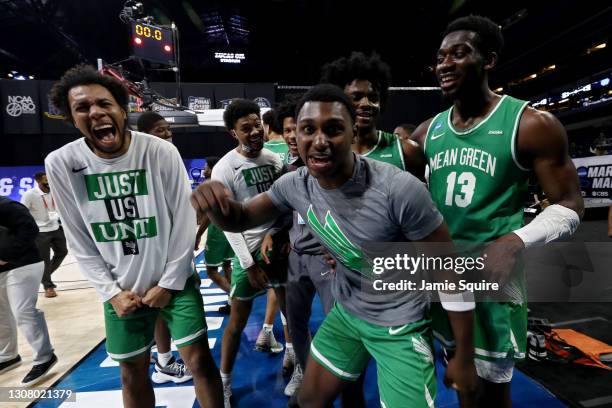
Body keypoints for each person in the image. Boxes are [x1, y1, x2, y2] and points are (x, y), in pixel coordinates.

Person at [192, 84, 477, 408]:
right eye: (308, 130)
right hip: (349, 311)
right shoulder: (293, 183)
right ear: (294, 137)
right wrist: (215, 204)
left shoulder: (398, 189)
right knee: (308, 400)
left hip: (400, 321)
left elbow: (450, 271)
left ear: (353, 131)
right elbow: (241, 217)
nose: (320, 140)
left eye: (333, 129)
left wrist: (463, 354)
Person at [412, 15, 583, 407]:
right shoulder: (428, 132)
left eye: (459, 54)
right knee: (459, 383)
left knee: (491, 393)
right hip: (443, 279)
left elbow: (571, 205)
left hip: (493, 280)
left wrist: (515, 240)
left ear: (488, 60)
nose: (444, 64)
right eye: (440, 57)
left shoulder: (531, 124)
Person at [45, 64, 223, 408]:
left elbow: (184, 220)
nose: (95, 112)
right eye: (82, 108)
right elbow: (78, 235)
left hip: (176, 283)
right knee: (131, 373)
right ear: (71, 117)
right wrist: (110, 293)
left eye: (104, 104)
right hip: (120, 290)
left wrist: (169, 282)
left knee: (199, 360)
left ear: (121, 109)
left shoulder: (160, 151)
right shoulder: (61, 162)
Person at [210, 98, 288, 407]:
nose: (254, 131)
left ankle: (294, 365)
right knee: (236, 323)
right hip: (249, 255)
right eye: (246, 128)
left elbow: (285, 205)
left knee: (290, 313)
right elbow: (230, 225)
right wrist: (248, 263)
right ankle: (224, 384)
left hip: (277, 249)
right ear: (233, 133)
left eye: (257, 124)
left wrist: (276, 234)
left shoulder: (274, 160)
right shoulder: (224, 169)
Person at [136, 109, 192, 384]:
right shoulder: (140, 163)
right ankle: (165, 361)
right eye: (160, 130)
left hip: (173, 249)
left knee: (161, 311)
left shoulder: (170, 156)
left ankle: (165, 360)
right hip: (153, 253)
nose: (168, 133)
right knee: (160, 311)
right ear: (144, 134)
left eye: (168, 128)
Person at [320, 51, 426, 180]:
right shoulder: (327, 152)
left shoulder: (407, 151)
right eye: (356, 97)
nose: (366, 104)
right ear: (338, 102)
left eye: (373, 97)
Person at [0, 196, 57, 386]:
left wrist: (7, 256)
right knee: (1, 315)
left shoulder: (6, 205)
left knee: (23, 311)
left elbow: (29, 228)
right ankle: (8, 355)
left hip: (23, 264)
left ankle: (45, 356)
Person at [21, 172, 68, 298]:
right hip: (40, 231)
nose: (48, 183)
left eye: (49, 180)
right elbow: (23, 212)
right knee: (45, 260)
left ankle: (43, 276)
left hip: (56, 227)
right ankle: (48, 286)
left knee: (62, 252)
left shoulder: (55, 190)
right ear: (38, 181)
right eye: (45, 181)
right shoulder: (30, 194)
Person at [196, 156, 233, 314]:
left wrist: (198, 235)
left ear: (212, 169)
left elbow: (207, 216)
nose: (204, 170)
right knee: (227, 266)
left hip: (217, 232)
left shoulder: (208, 186)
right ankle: (232, 303)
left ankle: (235, 298)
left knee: (211, 270)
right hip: (232, 230)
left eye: (205, 167)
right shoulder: (225, 182)